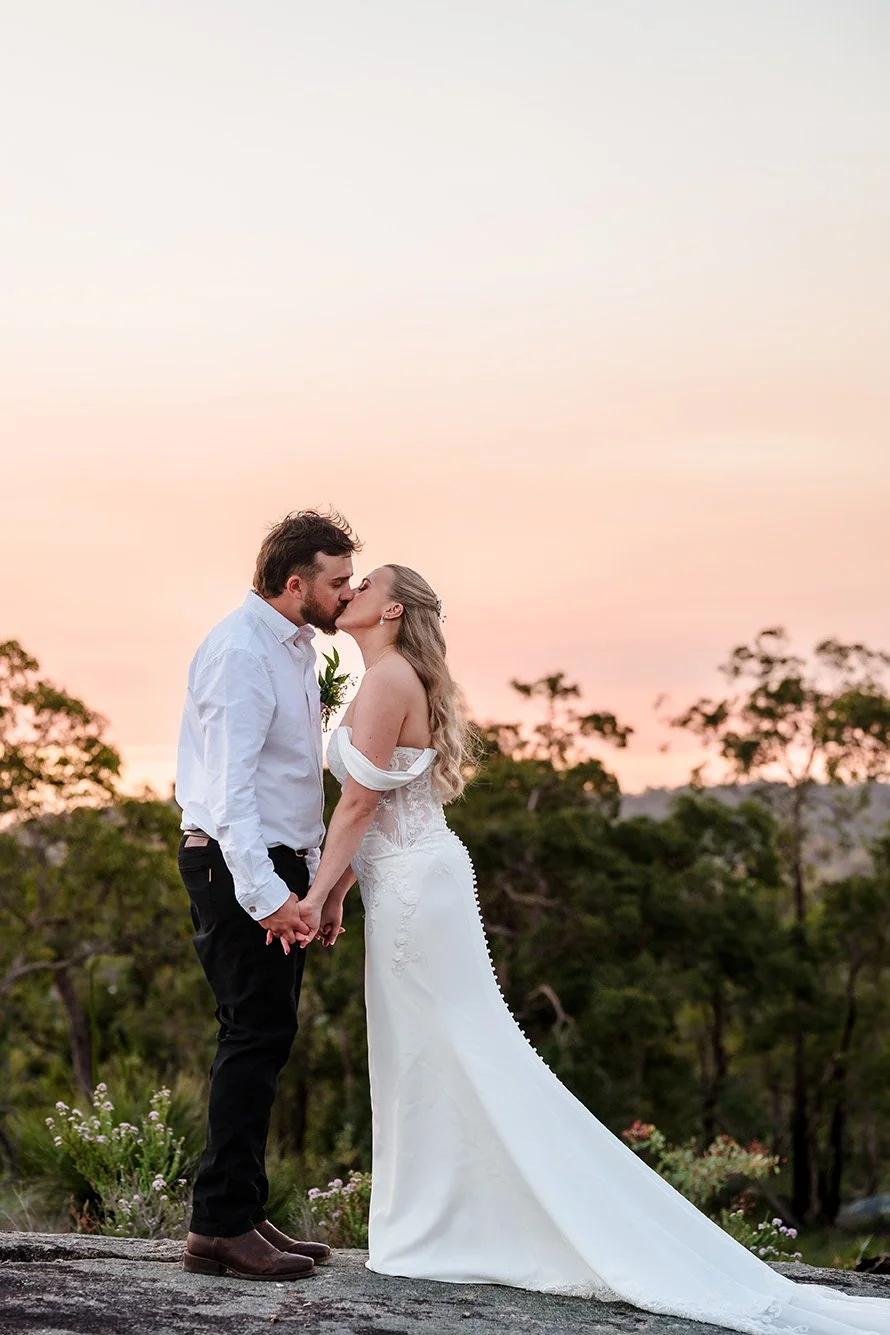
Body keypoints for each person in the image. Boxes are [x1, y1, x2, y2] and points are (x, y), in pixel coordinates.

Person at [271, 563, 890, 1335]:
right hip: (408, 880)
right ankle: (437, 1223)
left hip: (411, 889)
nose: (351, 589)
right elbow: (370, 803)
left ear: (392, 607)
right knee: (428, 1051)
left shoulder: (390, 677)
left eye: (365, 583)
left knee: (457, 1048)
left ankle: (454, 1225)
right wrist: (337, 891)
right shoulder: (393, 676)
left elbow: (359, 802)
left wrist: (318, 894)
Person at [175, 509, 360, 1281]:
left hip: (281, 864)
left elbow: (293, 781)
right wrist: (269, 896)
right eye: (338, 581)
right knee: (252, 1035)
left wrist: (321, 886)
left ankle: (242, 1209)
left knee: (268, 1035)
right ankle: (218, 1225)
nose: (347, 594)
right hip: (235, 863)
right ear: (296, 583)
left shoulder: (293, 648)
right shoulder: (242, 652)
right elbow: (229, 794)